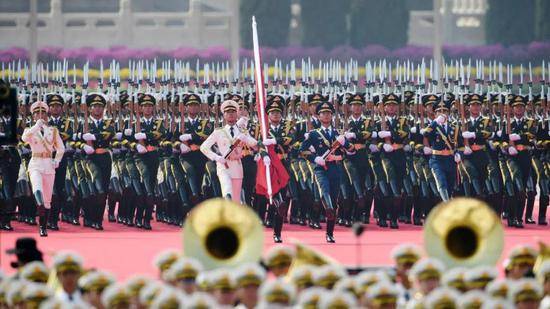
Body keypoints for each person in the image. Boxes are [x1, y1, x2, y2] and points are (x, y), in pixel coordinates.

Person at [300, 100, 353, 243]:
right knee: (325, 192)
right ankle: (328, 209)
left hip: (335, 168)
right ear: (318, 116)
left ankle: (330, 233)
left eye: (329, 113)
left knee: (334, 200)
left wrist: (345, 143)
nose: (326, 116)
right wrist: (315, 158)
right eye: (323, 113)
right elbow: (302, 150)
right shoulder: (313, 134)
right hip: (320, 169)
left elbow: (351, 151)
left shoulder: (338, 134)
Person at [200, 100, 258, 203]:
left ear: (237, 114)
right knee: (227, 192)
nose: (230, 114)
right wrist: (217, 157)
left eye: (233, 112)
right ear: (224, 115)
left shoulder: (242, 131)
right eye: (228, 112)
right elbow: (203, 147)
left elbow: (255, 146)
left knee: (236, 199)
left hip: (237, 166)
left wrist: (246, 138)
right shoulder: (218, 131)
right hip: (224, 166)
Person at [21, 101, 65, 236]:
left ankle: (43, 226)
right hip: (35, 164)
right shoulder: (30, 130)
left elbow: (61, 148)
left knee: (47, 201)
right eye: (37, 113)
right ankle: (39, 206)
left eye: (43, 113)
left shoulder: (53, 130)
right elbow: (24, 138)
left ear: (47, 115)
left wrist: (57, 160)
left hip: (48, 165)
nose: (41, 116)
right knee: (37, 190)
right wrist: (35, 126)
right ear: (33, 116)